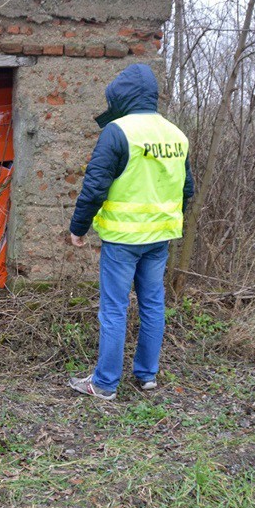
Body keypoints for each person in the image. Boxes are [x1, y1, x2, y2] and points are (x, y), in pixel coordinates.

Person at [67, 63, 194, 400]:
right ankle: (147, 376)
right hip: (160, 238)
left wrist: (78, 228)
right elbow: (187, 189)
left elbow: (95, 187)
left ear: (121, 96)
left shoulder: (117, 131)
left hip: (123, 240)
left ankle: (105, 384)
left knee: (113, 308)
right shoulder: (176, 134)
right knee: (153, 304)